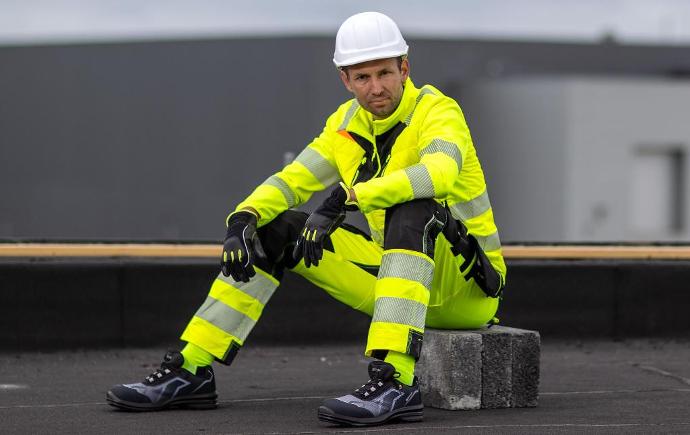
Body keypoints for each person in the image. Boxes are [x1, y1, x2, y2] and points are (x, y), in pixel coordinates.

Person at [106, 11, 506, 427]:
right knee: (272, 228)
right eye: (363, 77)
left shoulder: (439, 112)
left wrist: (348, 197)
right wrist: (242, 218)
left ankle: (397, 382)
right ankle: (192, 369)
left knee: (413, 204)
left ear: (405, 68)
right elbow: (292, 180)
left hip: (468, 288)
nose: (376, 87)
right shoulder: (344, 125)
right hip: (398, 279)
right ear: (345, 80)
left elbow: (437, 174)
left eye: (385, 73)